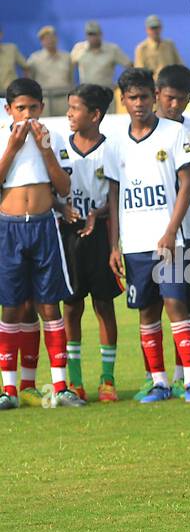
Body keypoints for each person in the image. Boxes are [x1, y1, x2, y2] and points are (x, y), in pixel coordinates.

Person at [103, 67, 190, 404]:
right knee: (146, 310)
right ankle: (158, 383)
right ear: (123, 100)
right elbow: (113, 196)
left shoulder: (175, 134)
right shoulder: (114, 143)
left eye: (145, 96)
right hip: (135, 243)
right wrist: (114, 243)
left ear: (154, 96)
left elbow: (186, 184)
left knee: (176, 303)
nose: (139, 103)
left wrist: (171, 231)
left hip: (170, 241)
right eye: (133, 97)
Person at [0, 78, 78, 410]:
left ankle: (60, 385)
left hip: (45, 226)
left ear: (42, 108)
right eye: (20, 108)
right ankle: (10, 389)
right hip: (10, 228)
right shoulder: (4, 137)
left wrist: (45, 150)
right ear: (8, 110)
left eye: (33, 107)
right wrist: (13, 148)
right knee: (12, 306)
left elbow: (63, 188)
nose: (27, 115)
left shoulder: (53, 136)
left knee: (49, 305)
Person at [155, 64, 190, 400]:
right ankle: (159, 377)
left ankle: (183, 374)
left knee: (186, 303)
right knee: (155, 304)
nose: (174, 105)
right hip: (152, 234)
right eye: (169, 97)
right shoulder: (141, 130)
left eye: (181, 99)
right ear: (158, 93)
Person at [59, 83, 120, 401]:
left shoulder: (112, 149)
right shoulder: (59, 147)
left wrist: (101, 220)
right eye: (69, 106)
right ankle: (76, 381)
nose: (69, 113)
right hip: (68, 234)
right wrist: (60, 207)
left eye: (76, 108)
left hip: (100, 234)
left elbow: (118, 196)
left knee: (103, 304)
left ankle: (107, 380)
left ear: (95, 115)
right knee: (70, 306)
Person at [26, 27, 74, 117]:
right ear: (41, 41)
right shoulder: (34, 59)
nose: (50, 40)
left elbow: (70, 78)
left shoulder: (66, 57)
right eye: (47, 38)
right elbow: (30, 80)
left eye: (53, 37)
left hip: (64, 100)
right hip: (45, 101)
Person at [70, 22, 131, 90]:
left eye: (95, 34)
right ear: (86, 35)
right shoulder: (79, 48)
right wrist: (72, 85)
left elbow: (129, 65)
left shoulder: (112, 49)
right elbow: (69, 67)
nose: (93, 37)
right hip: (86, 92)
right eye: (90, 34)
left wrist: (120, 84)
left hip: (106, 92)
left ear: (101, 34)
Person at [0, 28, 26, 92]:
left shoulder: (12, 49)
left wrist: (25, 86)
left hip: (11, 93)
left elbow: (26, 67)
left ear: (1, 34)